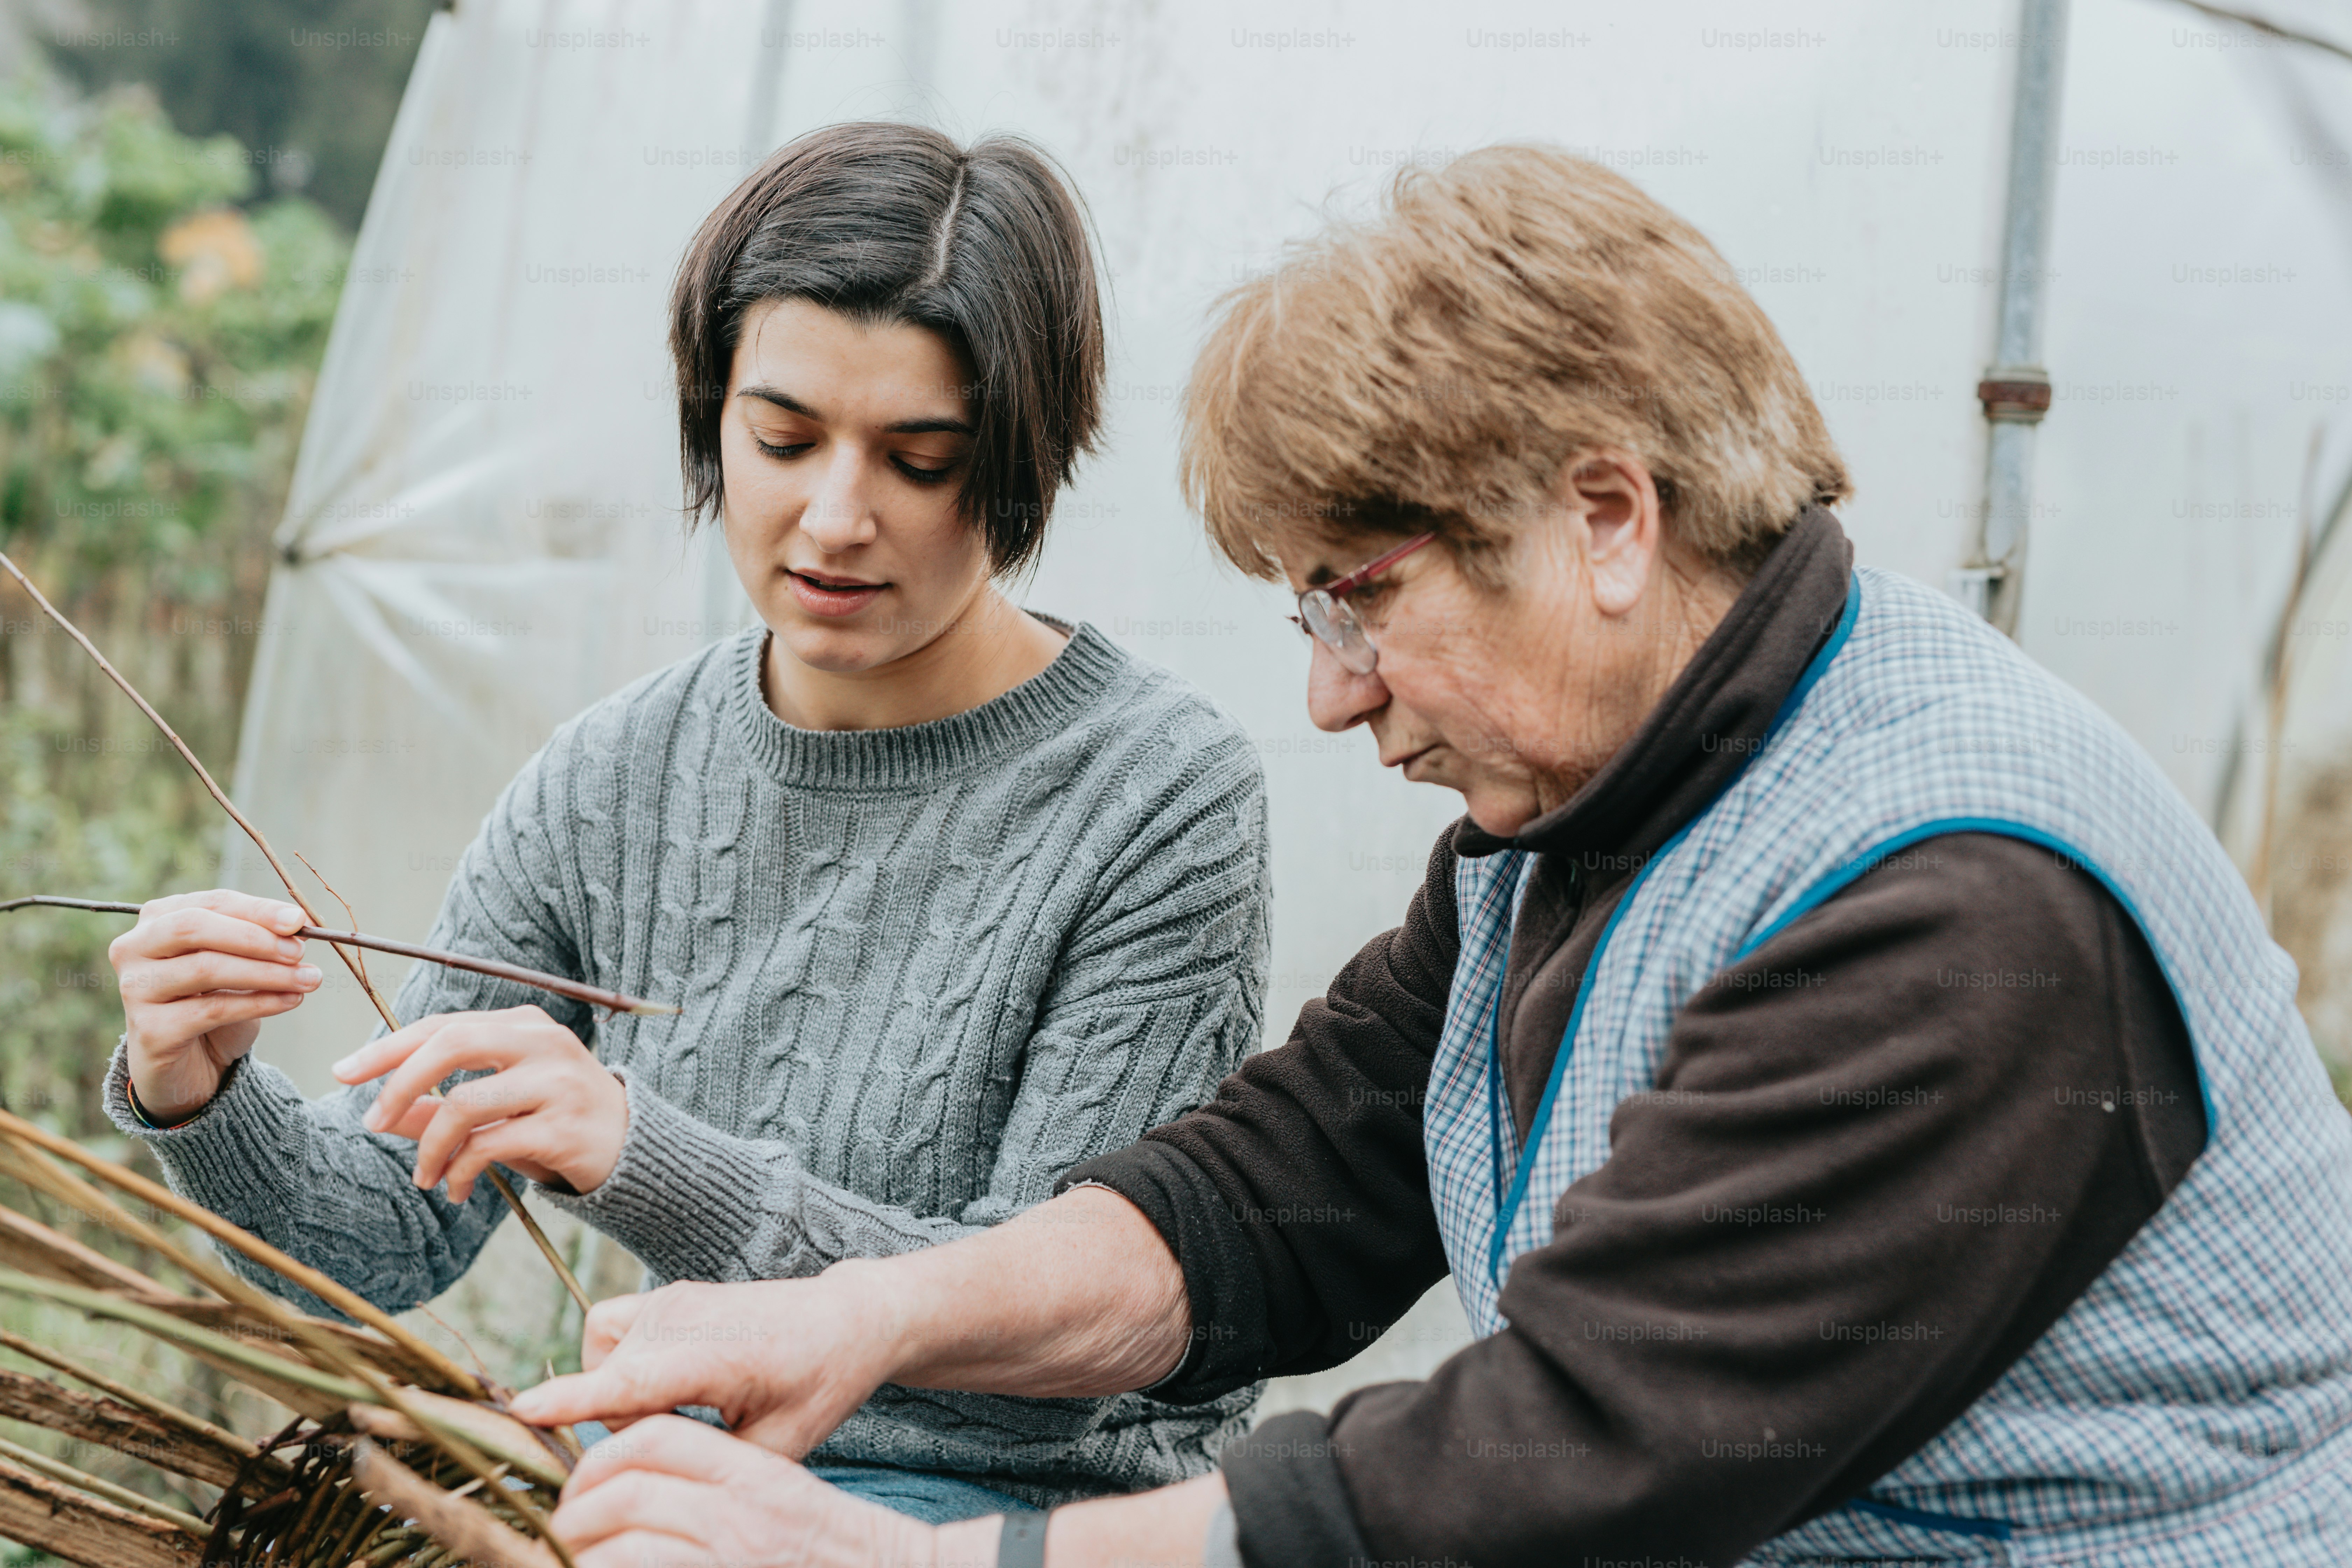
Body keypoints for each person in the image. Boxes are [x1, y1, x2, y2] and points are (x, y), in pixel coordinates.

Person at [511, 145, 2352, 1568]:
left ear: (1605, 519)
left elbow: (1558, 1464)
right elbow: (1275, 1194)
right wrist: (863, 1316)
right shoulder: (1590, 801)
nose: (1329, 698)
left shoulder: (1956, 908)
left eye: (1361, 600)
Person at [101, 122, 1270, 1524]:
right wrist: (202, 1089)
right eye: (783, 439)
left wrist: (639, 1152)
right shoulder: (613, 776)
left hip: (1032, 1521)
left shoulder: (1161, 797)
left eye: (917, 460)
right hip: (683, 1497)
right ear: (713, 417)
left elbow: (1080, 1346)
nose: (833, 517)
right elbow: (383, 1239)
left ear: (1021, 465)